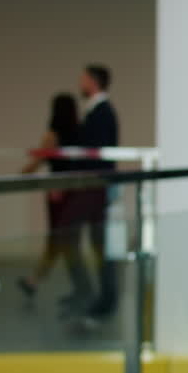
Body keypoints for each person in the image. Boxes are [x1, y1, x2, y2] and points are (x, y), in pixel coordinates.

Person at [16, 93, 92, 302]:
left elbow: (36, 162)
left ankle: (40, 281)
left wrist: (20, 174)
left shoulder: (52, 135)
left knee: (59, 241)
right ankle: (42, 281)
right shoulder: (80, 132)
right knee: (67, 241)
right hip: (73, 192)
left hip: (58, 193)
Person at [75, 64, 121, 327]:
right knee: (98, 245)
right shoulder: (97, 111)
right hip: (95, 190)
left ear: (93, 81)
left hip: (97, 191)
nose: (80, 82)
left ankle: (106, 298)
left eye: (83, 78)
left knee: (102, 245)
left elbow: (97, 156)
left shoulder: (102, 112)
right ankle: (103, 297)